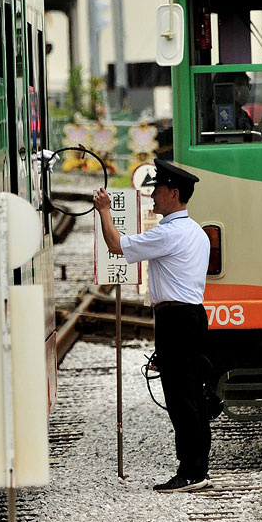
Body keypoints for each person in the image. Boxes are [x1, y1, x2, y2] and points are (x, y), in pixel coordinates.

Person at [93, 159, 211, 493]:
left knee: (181, 397)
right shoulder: (196, 231)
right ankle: (197, 468)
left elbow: (116, 245)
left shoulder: (170, 233)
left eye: (158, 189)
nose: (153, 195)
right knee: (192, 394)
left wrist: (104, 210)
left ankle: (192, 472)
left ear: (173, 194)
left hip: (177, 320)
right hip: (190, 316)